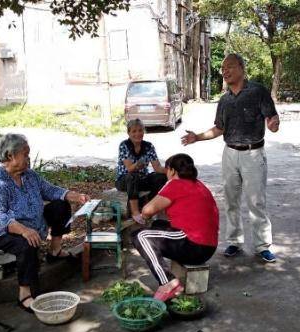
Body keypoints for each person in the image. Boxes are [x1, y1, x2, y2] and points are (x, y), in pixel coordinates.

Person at [181, 53, 280, 263]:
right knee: (231, 200)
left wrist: (273, 124)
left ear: (242, 68)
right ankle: (234, 241)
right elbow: (219, 128)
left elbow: (272, 117)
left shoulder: (257, 91)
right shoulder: (224, 100)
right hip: (230, 153)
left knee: (257, 202)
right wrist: (197, 137)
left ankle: (263, 246)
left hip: (253, 154)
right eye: (223, 68)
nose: (225, 71)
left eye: (230, 67)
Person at [0, 134, 89, 312]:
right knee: (26, 244)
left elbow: (49, 190)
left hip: (32, 225)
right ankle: (24, 294)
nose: (28, 158)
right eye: (25, 154)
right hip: (1, 232)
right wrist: (24, 230)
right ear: (10, 156)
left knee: (60, 206)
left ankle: (55, 250)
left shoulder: (29, 175)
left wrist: (76, 196)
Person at [132, 154, 219, 301]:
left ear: (172, 171)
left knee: (140, 236)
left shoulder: (175, 184)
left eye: (167, 171)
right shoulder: (198, 184)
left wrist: (144, 215)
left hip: (195, 246)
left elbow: (147, 210)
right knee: (158, 225)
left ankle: (168, 283)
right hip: (208, 246)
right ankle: (169, 280)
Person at [115, 119, 167, 224]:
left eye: (140, 130)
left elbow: (157, 168)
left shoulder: (149, 146)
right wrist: (138, 164)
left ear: (143, 131)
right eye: (134, 131)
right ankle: (135, 212)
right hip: (124, 180)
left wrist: (173, 171)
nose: (137, 133)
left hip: (141, 178)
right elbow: (129, 168)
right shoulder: (124, 145)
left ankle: (155, 208)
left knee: (160, 177)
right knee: (133, 176)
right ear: (128, 133)